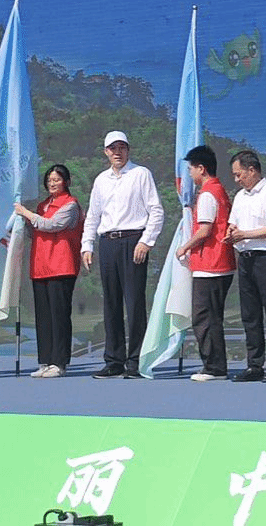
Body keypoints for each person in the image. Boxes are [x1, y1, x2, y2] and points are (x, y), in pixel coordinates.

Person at [81, 130, 164, 379]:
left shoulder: (141, 174)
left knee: (135, 303)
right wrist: (87, 245)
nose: (117, 152)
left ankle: (136, 361)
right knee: (111, 303)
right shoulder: (101, 180)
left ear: (128, 150)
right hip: (108, 242)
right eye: (113, 148)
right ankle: (114, 360)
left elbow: (156, 210)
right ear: (106, 152)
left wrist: (146, 241)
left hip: (133, 241)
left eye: (122, 148)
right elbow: (93, 215)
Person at [14, 164, 83, 379]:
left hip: (61, 266)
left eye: (57, 180)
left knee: (59, 316)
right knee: (43, 318)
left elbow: (52, 225)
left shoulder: (70, 205)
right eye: (49, 180)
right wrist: (21, 220)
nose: (52, 183)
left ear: (66, 182)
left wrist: (27, 213)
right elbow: (35, 230)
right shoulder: (43, 205)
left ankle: (59, 362)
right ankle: (45, 361)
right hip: (40, 266)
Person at [226, 150, 266, 383]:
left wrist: (245, 234)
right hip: (245, 257)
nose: (237, 179)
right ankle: (254, 365)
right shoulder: (240, 196)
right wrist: (232, 233)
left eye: (239, 174)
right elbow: (233, 224)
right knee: (250, 314)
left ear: (252, 170)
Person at [175, 145, 234, 382]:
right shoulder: (218, 190)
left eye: (191, 168)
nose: (189, 173)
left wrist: (185, 246)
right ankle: (215, 365)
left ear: (201, 168)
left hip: (211, 263)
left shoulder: (208, 194)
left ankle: (214, 367)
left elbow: (205, 229)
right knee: (211, 316)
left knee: (204, 317)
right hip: (218, 262)